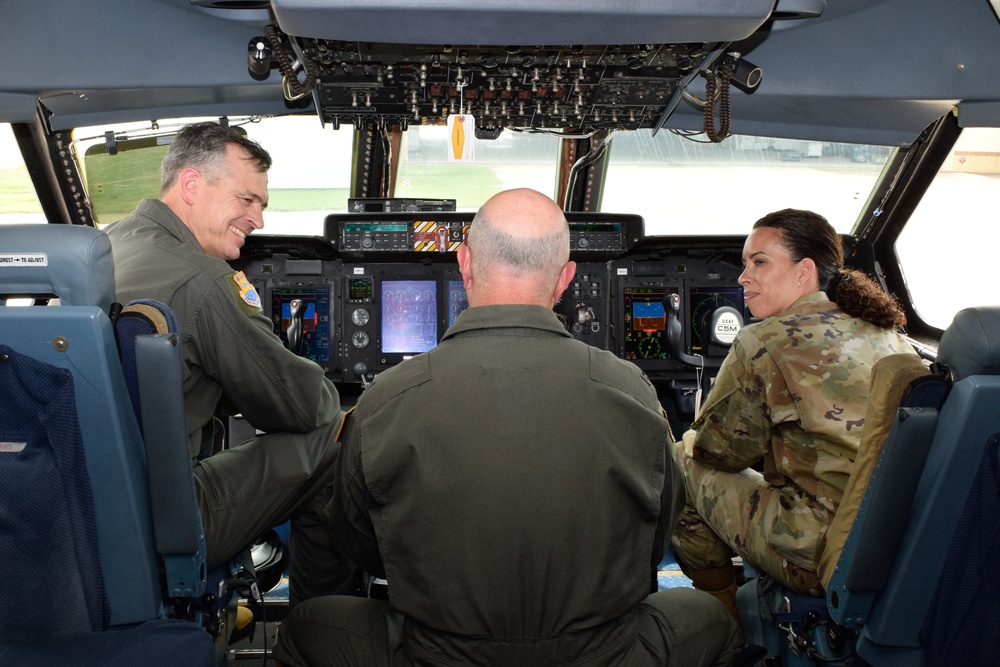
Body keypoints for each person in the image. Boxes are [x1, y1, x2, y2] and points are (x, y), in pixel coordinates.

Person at [272, 188, 744, 667]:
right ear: (565, 278)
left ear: (465, 263)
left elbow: (361, 545)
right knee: (712, 619)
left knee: (305, 628)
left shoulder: (383, 402)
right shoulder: (633, 394)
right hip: (602, 655)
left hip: (435, 656)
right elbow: (657, 535)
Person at [105, 122, 354, 606]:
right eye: (246, 200)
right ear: (193, 185)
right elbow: (302, 408)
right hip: (162, 514)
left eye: (262, 204)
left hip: (90, 498)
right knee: (335, 441)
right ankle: (315, 633)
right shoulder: (201, 281)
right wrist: (327, 388)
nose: (258, 219)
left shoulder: (109, 242)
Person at [671, 208, 917, 616]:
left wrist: (693, 433)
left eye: (759, 262)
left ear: (804, 272)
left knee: (683, 456)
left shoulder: (763, 341)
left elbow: (717, 453)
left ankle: (723, 620)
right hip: (897, 545)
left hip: (815, 555)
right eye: (744, 264)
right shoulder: (890, 337)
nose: (742, 277)